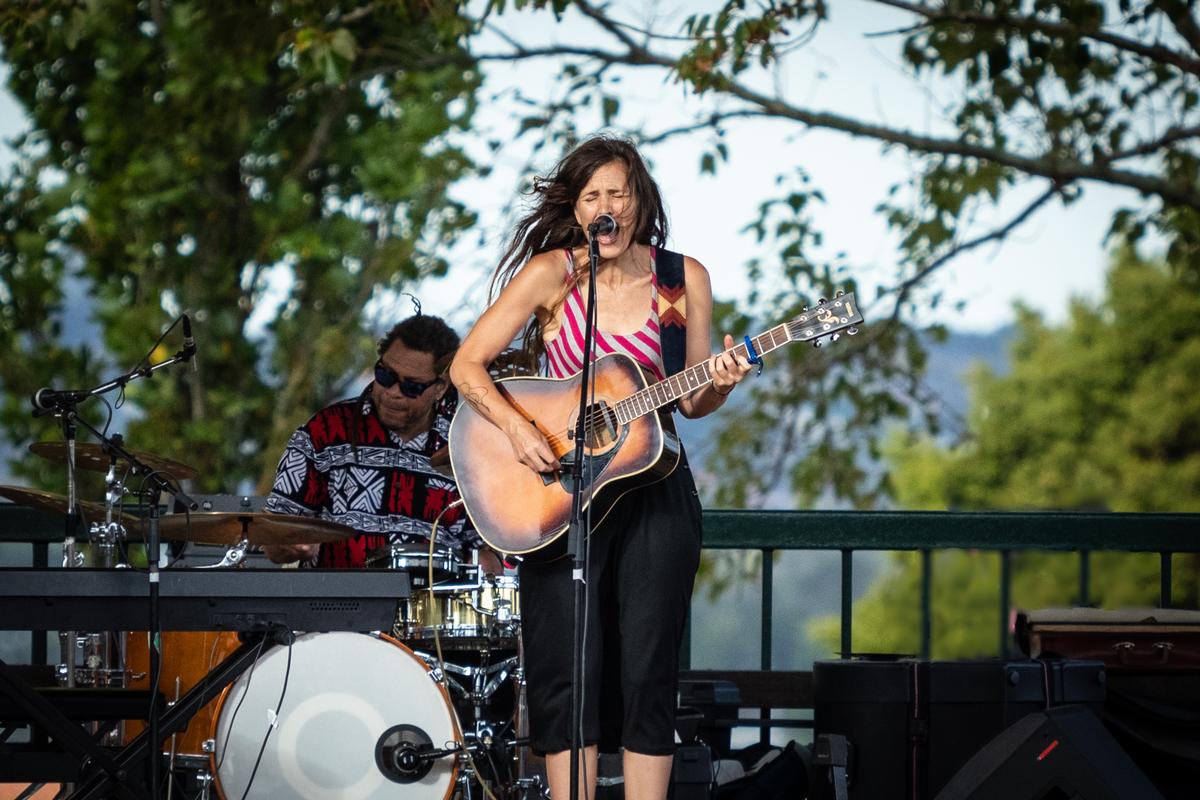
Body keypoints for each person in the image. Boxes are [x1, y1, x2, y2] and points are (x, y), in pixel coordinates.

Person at [449, 135, 752, 800]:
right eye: (593, 197)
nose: (607, 206)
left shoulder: (682, 280)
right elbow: (466, 365)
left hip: (654, 487)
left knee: (648, 669)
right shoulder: (552, 273)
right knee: (566, 670)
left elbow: (693, 398)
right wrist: (517, 428)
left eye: (619, 193)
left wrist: (722, 384)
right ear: (578, 209)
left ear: (641, 202)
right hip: (560, 492)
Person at [264, 314, 493, 569]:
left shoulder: (467, 444)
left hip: (432, 606)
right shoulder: (324, 433)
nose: (392, 392)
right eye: (385, 376)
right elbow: (273, 541)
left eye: (412, 386)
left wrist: (486, 564)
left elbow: (490, 553)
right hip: (337, 602)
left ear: (440, 387)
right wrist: (289, 544)